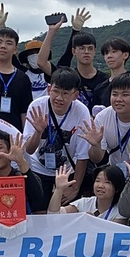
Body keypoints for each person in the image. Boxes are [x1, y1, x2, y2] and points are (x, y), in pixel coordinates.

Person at [22, 68, 92, 212]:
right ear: (49, 89)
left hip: (66, 170)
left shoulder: (82, 111)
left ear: (75, 95)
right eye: (56, 91)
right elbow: (28, 150)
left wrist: (75, 186)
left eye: (65, 93)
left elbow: (82, 154)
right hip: (38, 167)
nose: (59, 98)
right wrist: (38, 132)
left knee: (64, 213)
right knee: (39, 212)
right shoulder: (36, 106)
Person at [49, 164, 130, 225]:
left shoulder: (121, 210)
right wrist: (59, 190)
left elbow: (114, 233)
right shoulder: (84, 203)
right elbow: (53, 215)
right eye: (97, 181)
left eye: (107, 182)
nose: (100, 185)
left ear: (117, 187)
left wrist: (91, 222)